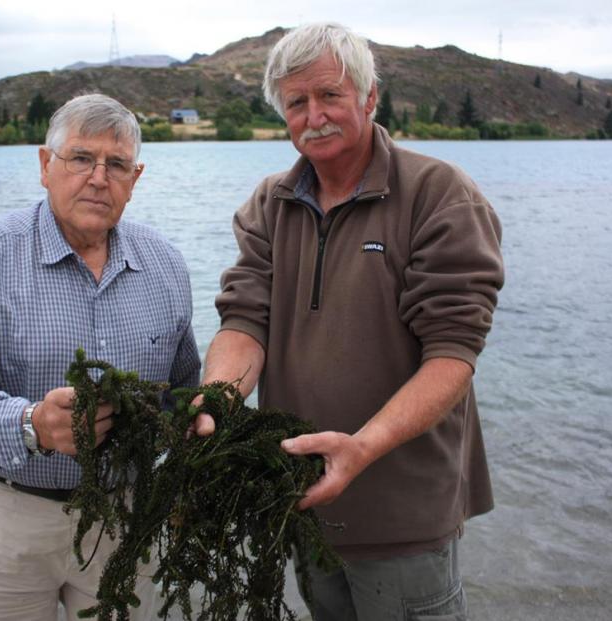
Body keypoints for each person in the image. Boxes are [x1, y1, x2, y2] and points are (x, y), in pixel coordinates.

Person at [195, 23, 504, 620]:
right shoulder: (269, 204)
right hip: (303, 503)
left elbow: (454, 353)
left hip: (403, 517)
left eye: (331, 95)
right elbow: (243, 319)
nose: (315, 116)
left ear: (369, 96)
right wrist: (219, 399)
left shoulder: (439, 195)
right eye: (296, 102)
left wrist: (362, 448)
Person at [0, 93, 200, 621]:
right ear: (45, 165)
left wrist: (195, 443)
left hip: (126, 516)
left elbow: (182, 390)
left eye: (116, 164)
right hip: (2, 514)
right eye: (80, 158)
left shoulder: (166, 264)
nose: (99, 177)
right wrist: (32, 424)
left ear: (135, 178)